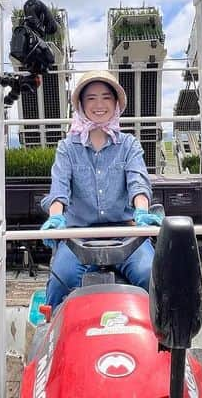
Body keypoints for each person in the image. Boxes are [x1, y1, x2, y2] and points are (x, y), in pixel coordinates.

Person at [39, 70, 163, 308]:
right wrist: (56, 217)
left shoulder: (128, 145)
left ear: (116, 103)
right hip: (77, 235)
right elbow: (60, 187)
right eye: (91, 98)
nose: (99, 105)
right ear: (81, 105)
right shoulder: (67, 148)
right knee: (60, 281)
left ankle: (163, 337)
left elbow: (138, 182)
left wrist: (142, 211)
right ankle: (52, 330)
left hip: (127, 233)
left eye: (106, 97)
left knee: (150, 274)